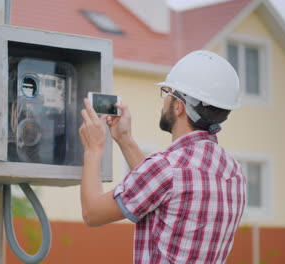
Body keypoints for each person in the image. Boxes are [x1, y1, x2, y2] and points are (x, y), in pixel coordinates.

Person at [79, 50, 246, 264]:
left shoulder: (168, 168)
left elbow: (92, 213)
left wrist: (93, 148)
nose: (164, 100)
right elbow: (160, 194)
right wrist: (124, 138)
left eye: (167, 93)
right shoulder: (233, 171)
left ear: (178, 106)